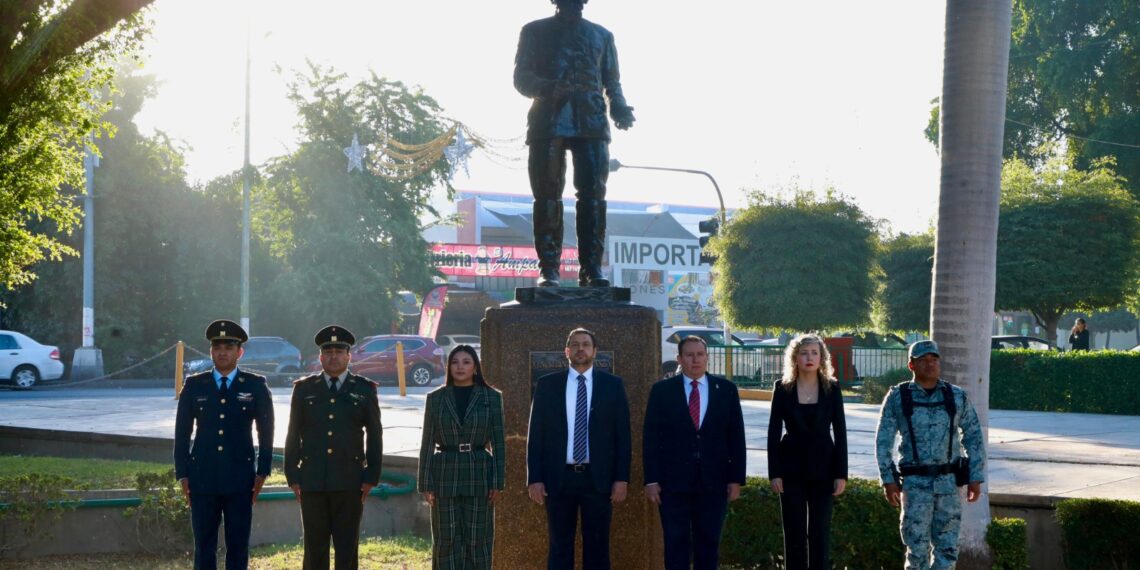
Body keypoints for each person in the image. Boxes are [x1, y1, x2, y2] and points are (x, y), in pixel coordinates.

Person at [514, 0, 636, 287]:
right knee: (547, 196)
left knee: (594, 198)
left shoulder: (602, 36)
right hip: (549, 120)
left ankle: (592, 268)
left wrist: (619, 108)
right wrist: (546, 88)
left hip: (591, 121)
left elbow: (612, 82)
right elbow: (521, 77)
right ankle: (549, 269)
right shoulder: (534, 31)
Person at [874, 340, 986, 570]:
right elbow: (883, 441)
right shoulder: (898, 397)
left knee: (947, 551)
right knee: (916, 551)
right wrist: (888, 480)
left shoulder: (955, 396)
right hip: (915, 486)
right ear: (911, 365)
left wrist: (975, 476)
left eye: (934, 359)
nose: (929, 364)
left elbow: (973, 436)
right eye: (922, 360)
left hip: (948, 484)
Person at [527, 328, 631, 570]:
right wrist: (535, 478)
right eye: (575, 345)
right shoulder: (547, 385)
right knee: (559, 546)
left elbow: (622, 437)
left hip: (598, 480)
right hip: (559, 478)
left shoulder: (612, 386)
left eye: (585, 344)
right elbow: (536, 436)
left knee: (597, 548)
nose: (580, 349)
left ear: (595, 351)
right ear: (567, 352)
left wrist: (621, 478)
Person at [174, 319, 274, 570]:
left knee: (238, 546)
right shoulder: (195, 385)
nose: (222, 352)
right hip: (202, 477)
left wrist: (263, 470)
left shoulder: (255, 385)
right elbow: (182, 433)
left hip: (240, 478)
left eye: (228, 347)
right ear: (210, 351)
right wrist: (182, 473)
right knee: (204, 547)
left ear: (239, 352)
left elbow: (266, 431)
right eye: (217, 346)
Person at [643, 336, 746, 570]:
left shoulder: (726, 390)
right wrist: (651, 480)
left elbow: (736, 437)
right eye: (689, 355)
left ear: (707, 357)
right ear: (679, 359)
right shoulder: (662, 391)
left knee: (708, 545)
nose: (695, 359)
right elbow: (650, 437)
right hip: (672, 483)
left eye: (700, 354)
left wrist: (735, 479)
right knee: (675, 544)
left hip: (714, 482)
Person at [284, 325, 382, 570]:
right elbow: (293, 433)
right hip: (312, 480)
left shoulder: (364, 389)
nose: (334, 356)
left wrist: (371, 475)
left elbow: (375, 434)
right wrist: (292, 475)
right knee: (314, 548)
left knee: (347, 547)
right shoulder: (304, 389)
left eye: (339, 351)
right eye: (328, 352)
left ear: (349, 356)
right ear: (320, 357)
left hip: (350, 481)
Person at [418, 345, 506, 569]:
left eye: (466, 362)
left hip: (479, 473)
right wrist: (425, 483)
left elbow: (499, 442)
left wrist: (497, 481)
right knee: (446, 540)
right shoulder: (436, 398)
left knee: (478, 540)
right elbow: (427, 442)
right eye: (455, 362)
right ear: (448, 367)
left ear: (475, 367)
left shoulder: (491, 397)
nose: (460, 367)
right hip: (444, 474)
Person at [767, 334, 848, 570]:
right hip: (790, 469)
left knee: (820, 531)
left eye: (814, 352)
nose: (809, 357)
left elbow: (841, 432)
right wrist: (775, 473)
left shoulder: (832, 388)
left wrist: (841, 473)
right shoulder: (782, 389)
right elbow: (773, 433)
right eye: (804, 352)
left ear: (822, 357)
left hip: (824, 469)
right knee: (793, 531)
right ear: (795, 357)